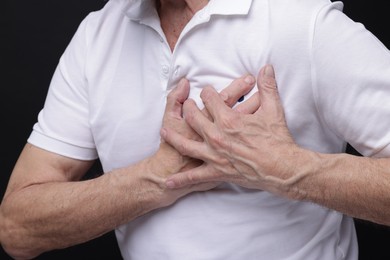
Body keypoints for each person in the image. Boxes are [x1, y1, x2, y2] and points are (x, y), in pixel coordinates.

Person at [1, 0, 390, 259]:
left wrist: (284, 169)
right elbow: (16, 227)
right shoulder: (97, 35)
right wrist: (153, 180)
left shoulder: (302, 23)